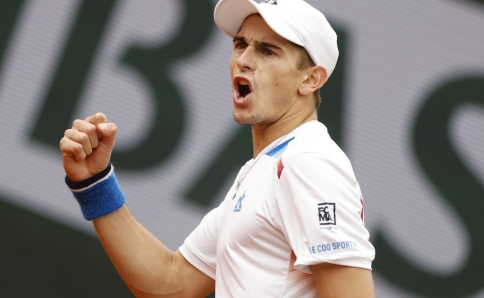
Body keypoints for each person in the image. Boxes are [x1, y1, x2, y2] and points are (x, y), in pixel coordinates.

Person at [59, 0, 376, 296]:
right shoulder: (266, 167)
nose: (244, 60)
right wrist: (94, 183)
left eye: (267, 51)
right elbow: (171, 282)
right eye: (240, 44)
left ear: (310, 80)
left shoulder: (308, 162)